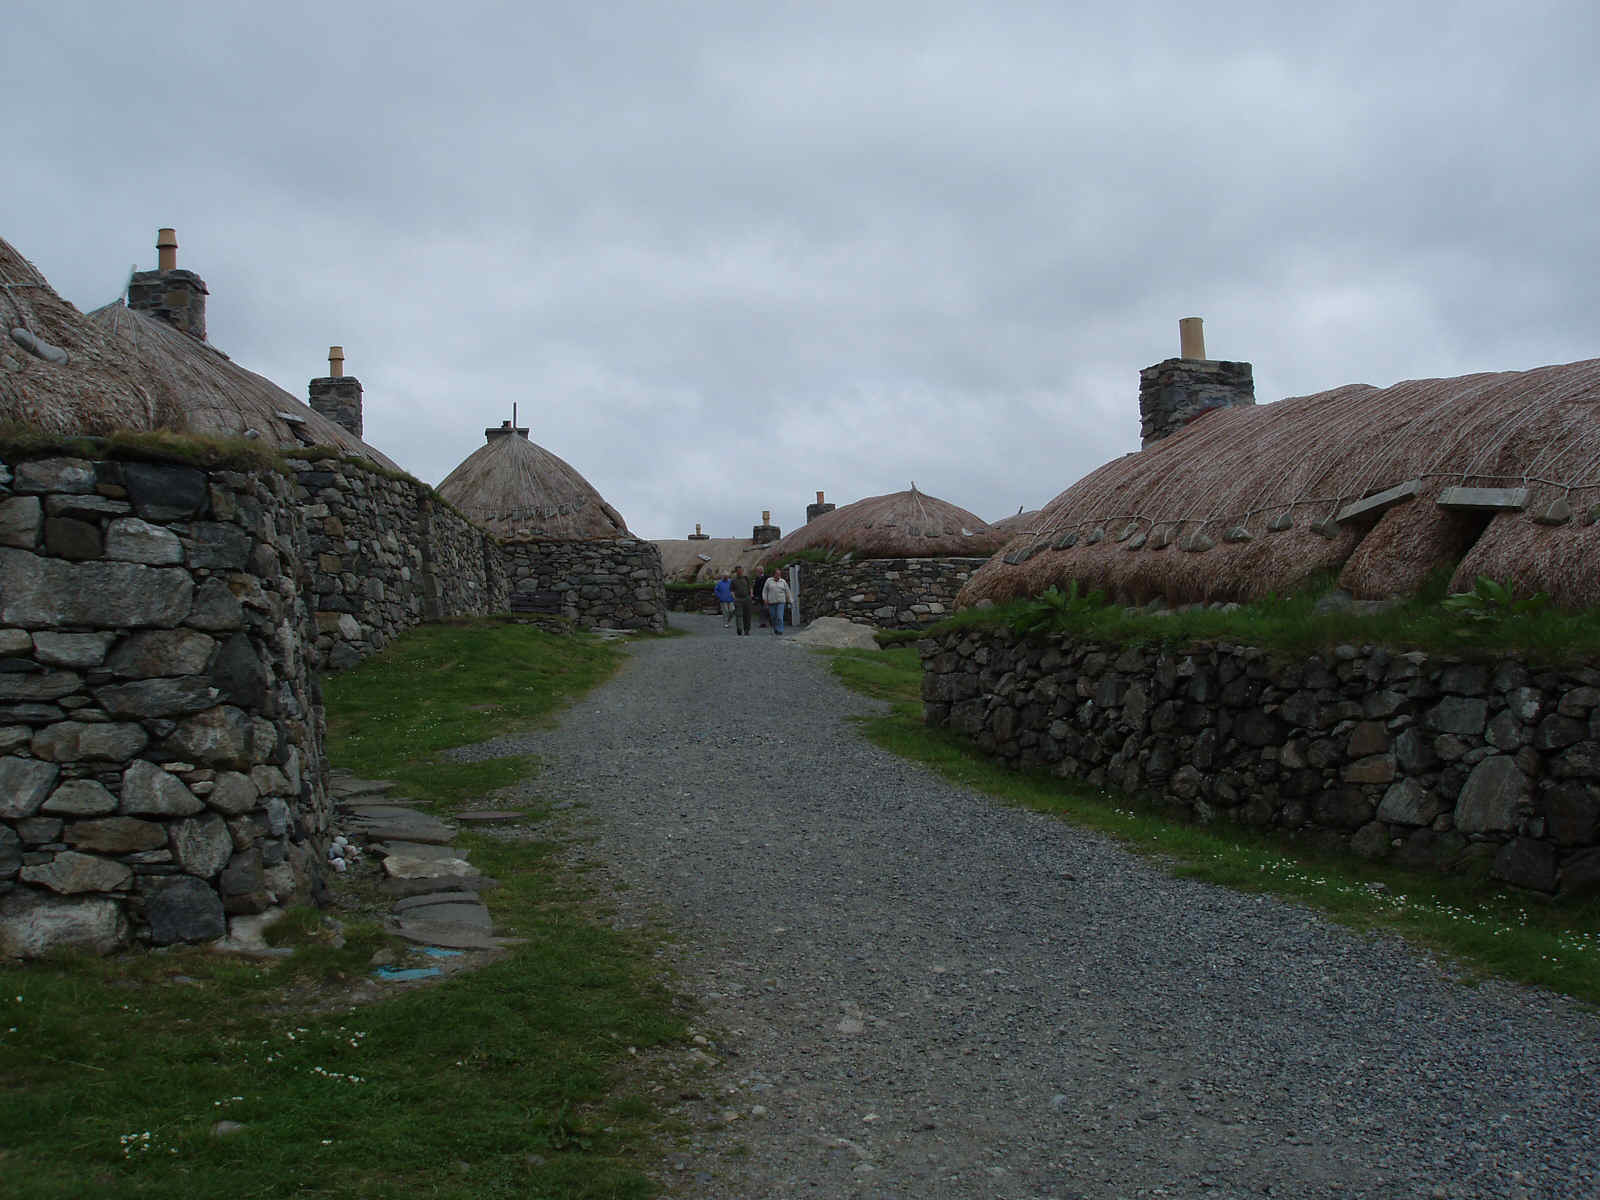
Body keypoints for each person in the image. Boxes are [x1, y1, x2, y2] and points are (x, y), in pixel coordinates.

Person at [763, 565, 792, 635]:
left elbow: (787, 591)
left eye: (779, 574)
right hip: (771, 602)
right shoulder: (769, 581)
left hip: (781, 602)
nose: (778, 575)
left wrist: (790, 600)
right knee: (773, 617)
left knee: (779, 616)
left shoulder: (783, 581)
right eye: (777, 574)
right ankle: (775, 628)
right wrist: (765, 599)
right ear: (774, 574)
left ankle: (780, 630)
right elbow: (765, 591)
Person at [730, 566, 753, 635]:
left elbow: (750, 587)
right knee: (739, 615)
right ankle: (739, 629)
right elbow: (731, 590)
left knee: (747, 615)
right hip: (738, 599)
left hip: (747, 598)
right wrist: (734, 598)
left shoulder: (746, 578)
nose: (740, 572)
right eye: (738, 571)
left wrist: (751, 595)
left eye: (741, 570)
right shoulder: (733, 580)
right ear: (736, 572)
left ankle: (747, 630)